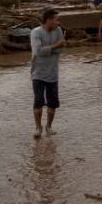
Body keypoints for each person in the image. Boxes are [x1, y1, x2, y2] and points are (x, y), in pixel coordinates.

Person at [30, 9, 66, 139]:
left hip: (52, 73)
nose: (58, 22)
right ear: (48, 20)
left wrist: (50, 48)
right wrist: (55, 46)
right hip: (38, 73)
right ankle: (38, 127)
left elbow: (61, 49)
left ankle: (48, 126)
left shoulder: (58, 31)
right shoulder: (35, 32)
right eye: (56, 19)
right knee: (38, 101)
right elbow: (38, 51)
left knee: (53, 103)